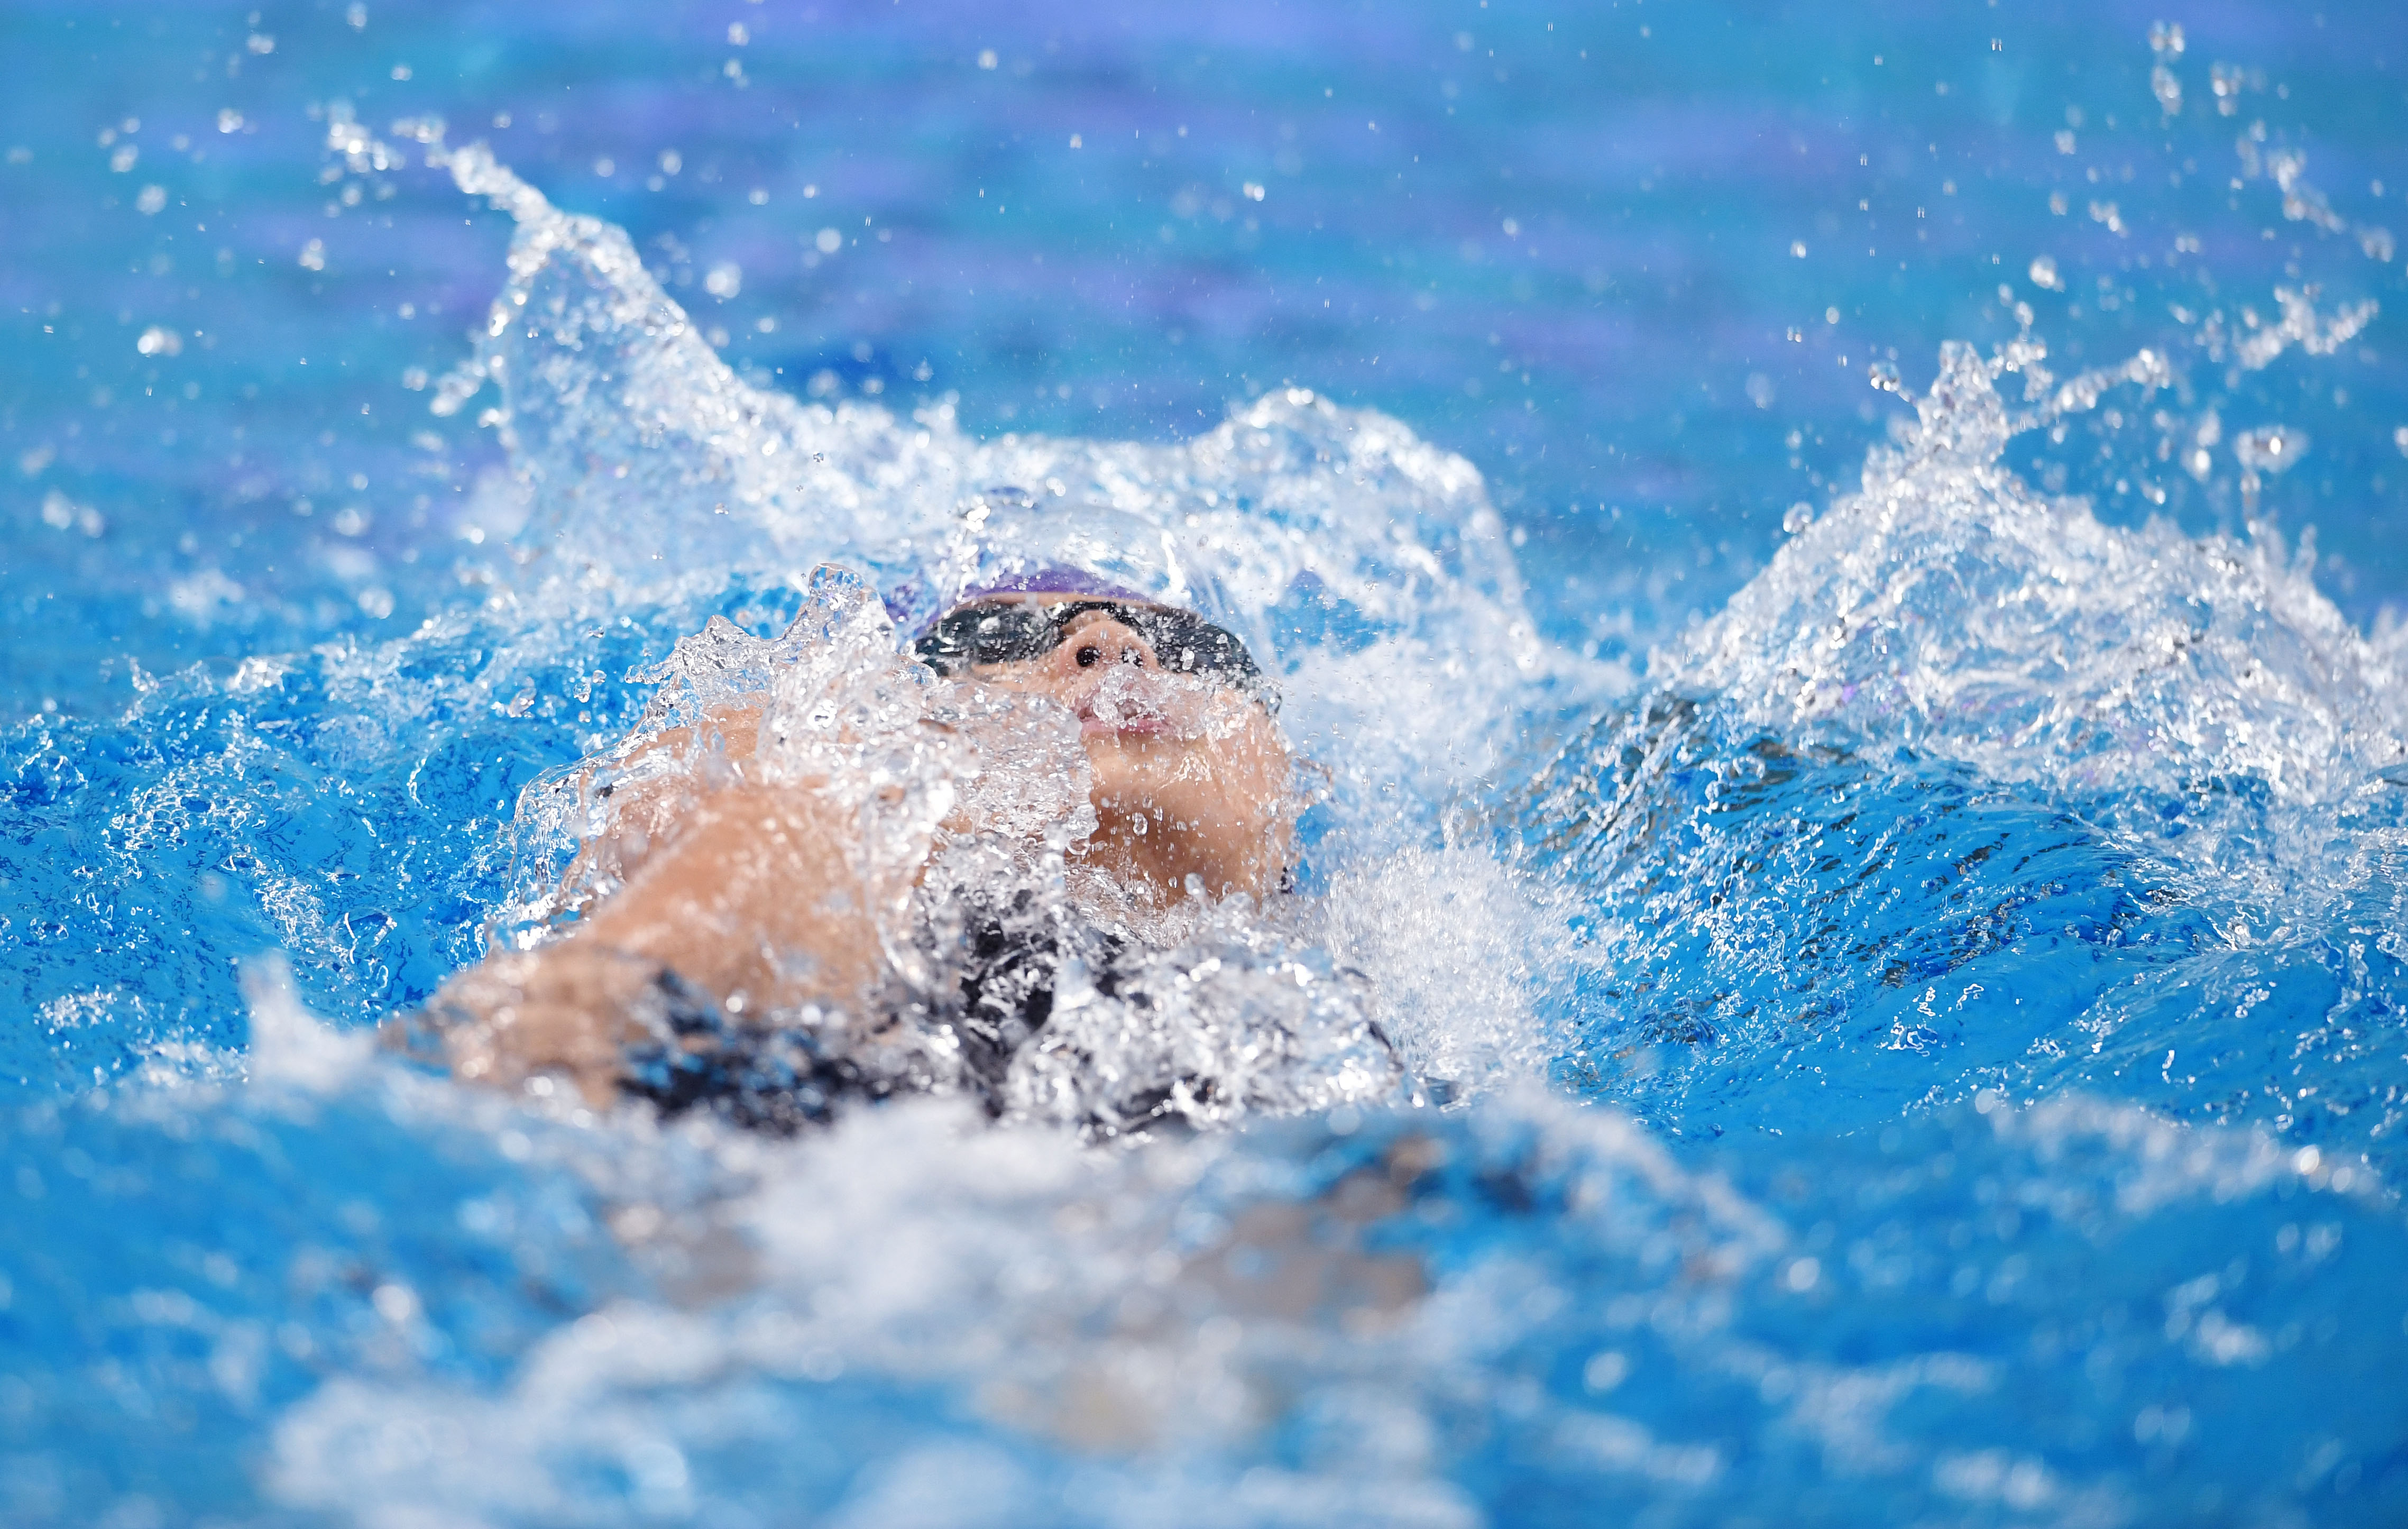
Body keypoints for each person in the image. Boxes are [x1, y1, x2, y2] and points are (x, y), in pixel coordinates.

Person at [396, 569, 1367, 1135]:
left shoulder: (1391, 989)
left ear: (1290, 781)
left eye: (1197, 646)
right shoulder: (833, 830)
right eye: (1004, 630)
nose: (1111, 643)